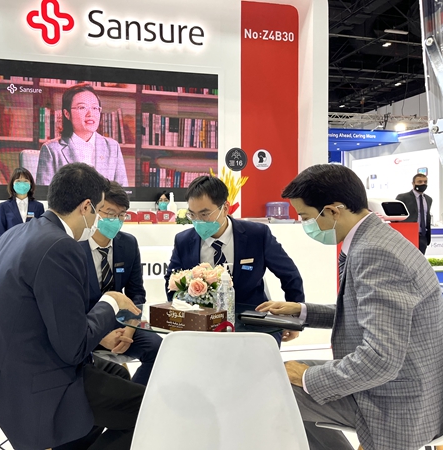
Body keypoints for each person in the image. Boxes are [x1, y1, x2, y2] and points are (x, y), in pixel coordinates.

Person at [258, 164, 443, 450]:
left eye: (305, 217)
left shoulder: (375, 253)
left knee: (271, 388)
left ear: (333, 211)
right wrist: (302, 311)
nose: (305, 225)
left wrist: (308, 378)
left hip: (396, 401)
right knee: (280, 374)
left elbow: (380, 359)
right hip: (402, 381)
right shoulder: (376, 239)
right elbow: (368, 315)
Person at [0, 163, 145, 450]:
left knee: (118, 374)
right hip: (30, 384)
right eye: (99, 210)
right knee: (147, 410)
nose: (98, 219)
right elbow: (74, 348)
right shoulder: (61, 246)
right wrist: (110, 302)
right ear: (86, 207)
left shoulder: (16, 234)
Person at [164, 175, 305, 343]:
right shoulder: (184, 240)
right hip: (202, 324)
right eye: (192, 215)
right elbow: (172, 282)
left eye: (205, 214)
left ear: (225, 208)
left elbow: (289, 275)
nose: (198, 221)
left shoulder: (257, 235)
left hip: (253, 322)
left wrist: (294, 319)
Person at [80, 181, 162, 386]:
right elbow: (67, 305)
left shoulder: (128, 244)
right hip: (82, 326)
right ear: (94, 210)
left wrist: (130, 329)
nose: (115, 220)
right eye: (110, 213)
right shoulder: (74, 246)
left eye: (121, 215)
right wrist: (98, 336)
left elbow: (137, 295)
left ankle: (136, 397)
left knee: (159, 349)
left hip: (120, 323)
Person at [36, 83, 128, 186]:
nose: (90, 114)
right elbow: (44, 193)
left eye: (95, 108)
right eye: (82, 107)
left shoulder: (112, 147)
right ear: (67, 114)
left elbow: (122, 191)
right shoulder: (51, 150)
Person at [0, 167, 44, 237]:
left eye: (25, 181)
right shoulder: (4, 207)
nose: (22, 184)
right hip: (11, 243)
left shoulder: (38, 206)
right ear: (12, 184)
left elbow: (41, 230)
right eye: (18, 181)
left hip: (32, 243)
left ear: (31, 184)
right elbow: (0, 231)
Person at [395, 173, 432, 254]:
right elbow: (395, 217)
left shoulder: (428, 199)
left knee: (421, 260)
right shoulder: (403, 197)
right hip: (407, 236)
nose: (423, 184)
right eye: (420, 181)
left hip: (423, 236)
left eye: (425, 182)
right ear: (413, 183)